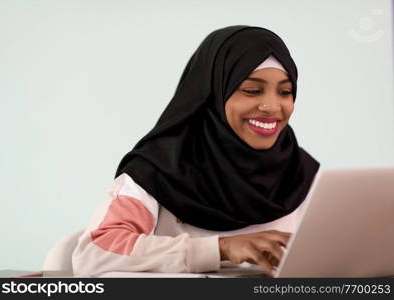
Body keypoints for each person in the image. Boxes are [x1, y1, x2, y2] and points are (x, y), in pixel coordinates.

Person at [72, 25, 320, 277]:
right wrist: (219, 249)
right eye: (252, 90)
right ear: (212, 93)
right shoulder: (157, 171)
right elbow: (94, 253)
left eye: (285, 92)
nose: (271, 106)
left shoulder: (302, 175)